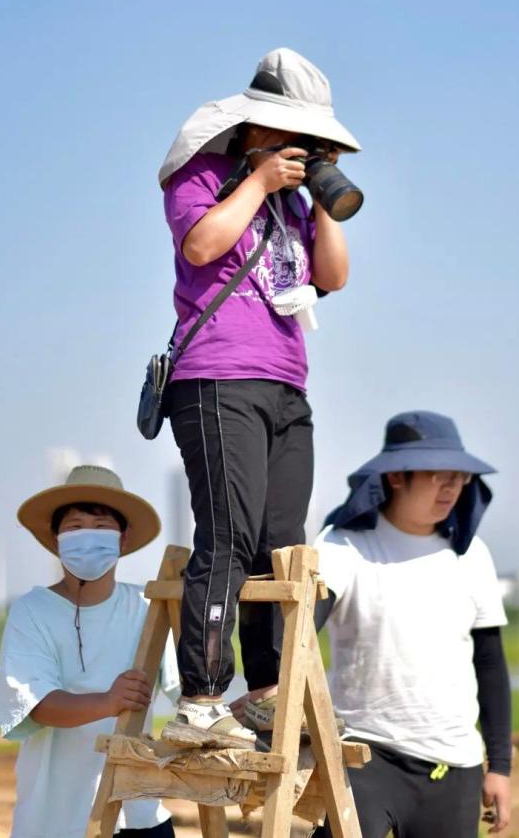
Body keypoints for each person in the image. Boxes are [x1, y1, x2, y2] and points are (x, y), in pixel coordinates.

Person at [157, 47, 361, 747]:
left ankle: (267, 692)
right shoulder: (202, 175)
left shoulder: (296, 204)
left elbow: (332, 277)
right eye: (288, 135)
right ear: (252, 129)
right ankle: (202, 698)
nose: (299, 150)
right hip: (217, 375)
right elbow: (202, 245)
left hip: (286, 381)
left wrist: (325, 199)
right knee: (230, 531)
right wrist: (258, 180)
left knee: (280, 542)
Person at [312, 411, 512, 838]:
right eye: (438, 475)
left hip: (455, 765)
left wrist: (501, 766)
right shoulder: (343, 545)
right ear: (397, 477)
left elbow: (491, 662)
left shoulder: (471, 554)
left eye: (459, 477)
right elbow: (299, 635)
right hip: (366, 754)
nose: (452, 488)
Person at [0, 465, 180, 838]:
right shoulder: (32, 610)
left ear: (123, 538)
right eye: (75, 527)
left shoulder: (149, 608)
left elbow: (188, 697)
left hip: (137, 813)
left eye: (100, 527)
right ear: (56, 539)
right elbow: (37, 704)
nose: (87, 537)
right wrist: (109, 701)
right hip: (56, 821)